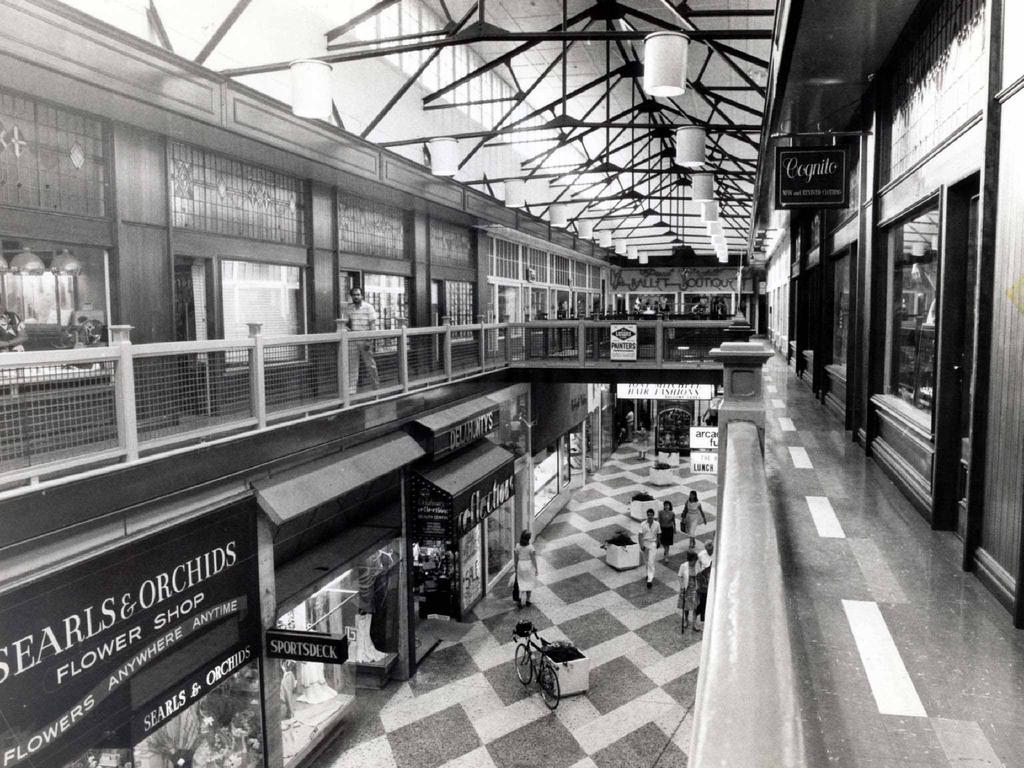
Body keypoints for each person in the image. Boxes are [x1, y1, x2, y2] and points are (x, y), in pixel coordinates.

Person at [344, 287, 379, 393]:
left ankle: (376, 387)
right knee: (352, 364)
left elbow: (372, 325)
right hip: (353, 340)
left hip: (365, 340)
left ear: (362, 296)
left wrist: (369, 340)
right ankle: (351, 389)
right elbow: (344, 322)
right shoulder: (349, 308)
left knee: (370, 364)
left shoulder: (369, 307)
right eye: (354, 295)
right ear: (351, 296)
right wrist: (346, 329)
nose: (356, 297)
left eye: (358, 294)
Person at [694, 540, 714, 632]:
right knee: (703, 601)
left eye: (711, 550)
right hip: (703, 583)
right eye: (708, 550)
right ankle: (700, 619)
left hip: (713, 581)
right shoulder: (701, 554)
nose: (710, 552)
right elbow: (697, 566)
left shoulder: (717, 554)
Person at [514, 530, 538, 607]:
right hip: (528, 566)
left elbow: (515, 558)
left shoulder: (517, 546)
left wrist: (515, 567)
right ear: (529, 539)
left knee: (521, 583)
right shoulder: (531, 547)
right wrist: (536, 568)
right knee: (529, 583)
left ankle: (520, 600)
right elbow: (534, 559)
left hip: (520, 566)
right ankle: (528, 600)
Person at [678, 549, 699, 632]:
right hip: (686, 588)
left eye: (695, 561)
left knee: (695, 607)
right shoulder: (683, 566)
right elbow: (679, 576)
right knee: (686, 607)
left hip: (695, 588)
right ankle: (686, 620)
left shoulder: (697, 565)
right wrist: (682, 585)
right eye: (693, 561)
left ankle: (694, 623)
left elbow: (700, 575)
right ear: (690, 560)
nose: (694, 562)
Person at [638, 508, 660, 589]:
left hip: (653, 544)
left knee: (651, 561)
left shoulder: (657, 524)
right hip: (645, 543)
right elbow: (640, 535)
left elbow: (658, 534)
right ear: (647, 515)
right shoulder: (643, 524)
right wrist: (641, 545)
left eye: (651, 515)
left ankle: (650, 580)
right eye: (648, 515)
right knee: (646, 561)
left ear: (653, 515)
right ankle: (648, 574)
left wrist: (658, 542)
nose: (650, 516)